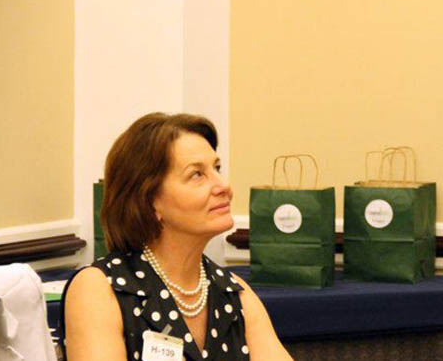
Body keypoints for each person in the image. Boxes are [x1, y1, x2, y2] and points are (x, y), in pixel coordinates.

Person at [62, 113, 292, 360]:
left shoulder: (235, 293)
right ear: (150, 201)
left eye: (217, 168)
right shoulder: (100, 289)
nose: (223, 186)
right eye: (197, 175)